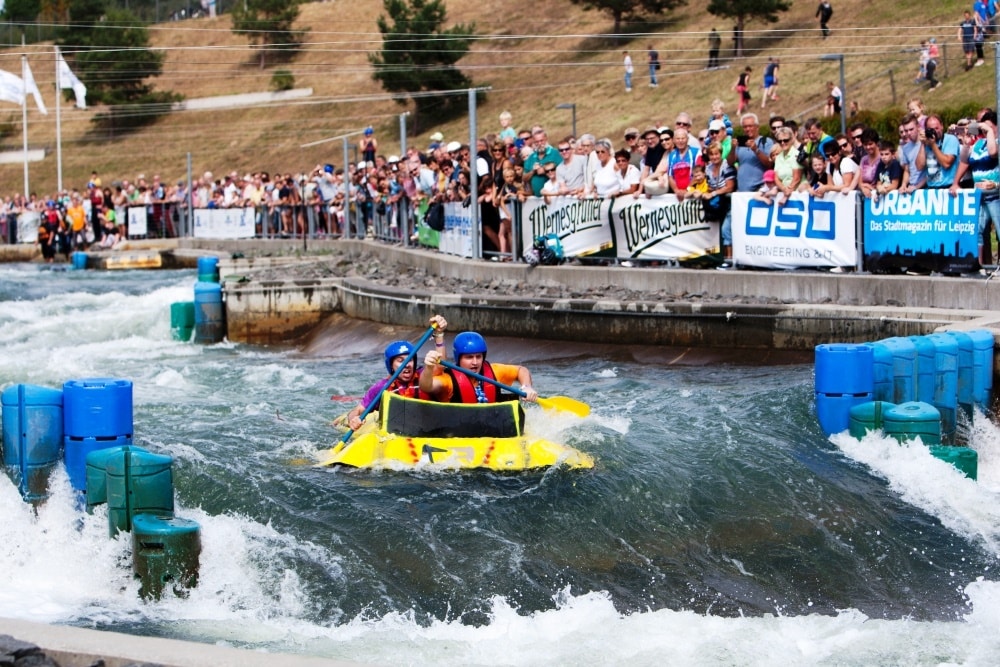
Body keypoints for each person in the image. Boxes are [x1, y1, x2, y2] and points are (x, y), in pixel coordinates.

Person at [345, 316, 449, 430]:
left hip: (427, 428)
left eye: (410, 360)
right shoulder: (381, 387)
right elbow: (358, 410)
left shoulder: (423, 376)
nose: (407, 364)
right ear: (391, 366)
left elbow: (439, 366)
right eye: (400, 361)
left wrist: (439, 335)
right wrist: (353, 419)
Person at [420, 331, 538, 405]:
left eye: (478, 356)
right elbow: (426, 387)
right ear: (458, 358)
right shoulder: (449, 380)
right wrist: (429, 368)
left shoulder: (494, 371)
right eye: (469, 357)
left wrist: (526, 387)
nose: (475, 362)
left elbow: (521, 370)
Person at [950, 116, 1000, 266]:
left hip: (995, 196)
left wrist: (990, 131)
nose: (984, 130)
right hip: (980, 196)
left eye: (988, 128)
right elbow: (965, 160)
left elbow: (992, 153)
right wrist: (955, 183)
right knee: (977, 231)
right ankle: (977, 265)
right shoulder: (978, 144)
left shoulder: (996, 143)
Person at [922, 114, 960, 190]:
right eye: (931, 129)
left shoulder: (950, 139)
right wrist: (921, 144)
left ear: (942, 126)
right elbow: (920, 166)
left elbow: (946, 164)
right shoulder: (926, 142)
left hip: (948, 186)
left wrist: (933, 145)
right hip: (931, 187)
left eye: (936, 128)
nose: (934, 132)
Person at [898, 113, 927, 194]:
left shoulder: (927, 143)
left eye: (911, 129)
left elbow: (931, 171)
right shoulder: (905, 147)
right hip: (911, 186)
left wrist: (917, 187)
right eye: (906, 130)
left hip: (925, 187)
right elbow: (907, 170)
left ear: (918, 127)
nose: (909, 133)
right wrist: (903, 184)